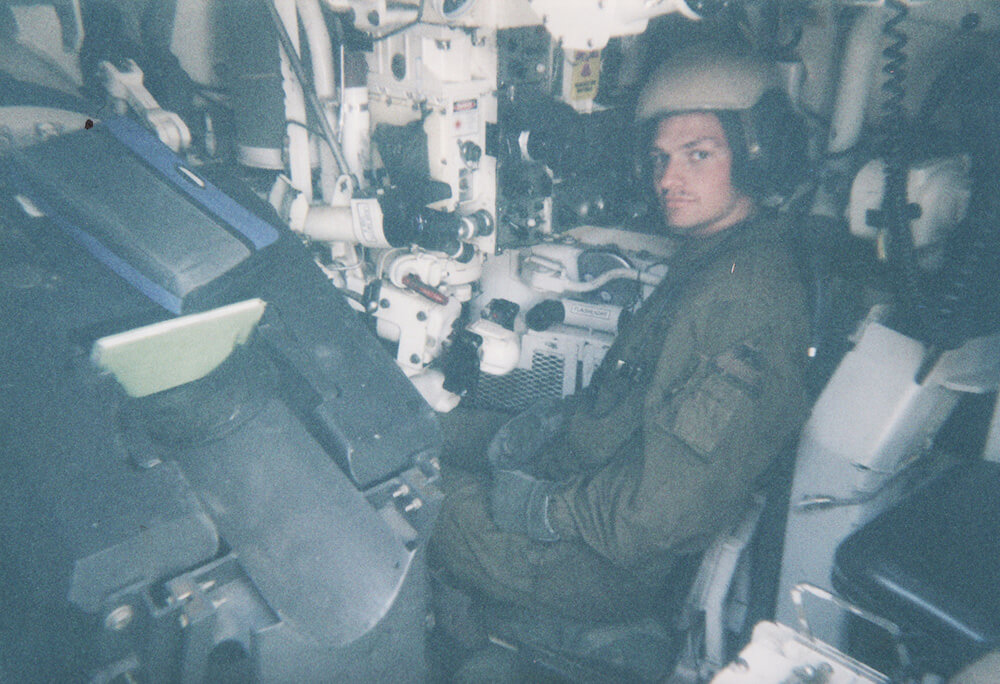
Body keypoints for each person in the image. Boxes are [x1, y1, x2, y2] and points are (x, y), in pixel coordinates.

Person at [428, 39, 812, 668]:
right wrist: (550, 422)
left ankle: (465, 623)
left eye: (698, 155)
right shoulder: (717, 256)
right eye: (660, 159)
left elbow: (665, 513)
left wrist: (544, 510)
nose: (667, 179)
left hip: (602, 564)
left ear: (757, 158)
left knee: (406, 493)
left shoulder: (744, 298)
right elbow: (632, 401)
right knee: (425, 430)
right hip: (585, 480)